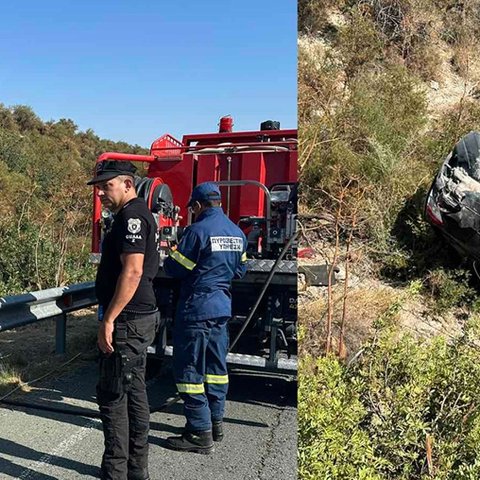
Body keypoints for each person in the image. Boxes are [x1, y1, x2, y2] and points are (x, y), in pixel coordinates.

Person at [87, 160, 159, 480]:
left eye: (107, 185)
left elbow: (133, 271)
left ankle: (116, 472)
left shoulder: (131, 217)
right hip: (137, 319)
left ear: (127, 184)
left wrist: (108, 320)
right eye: (99, 187)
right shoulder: (132, 214)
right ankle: (135, 470)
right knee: (134, 393)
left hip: (128, 321)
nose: (101, 192)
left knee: (113, 397)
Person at [163, 182, 248, 454]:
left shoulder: (197, 231)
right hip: (222, 308)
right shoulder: (237, 233)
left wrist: (172, 253)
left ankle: (200, 434)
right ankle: (216, 422)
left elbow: (176, 268)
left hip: (197, 308)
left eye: (192, 208)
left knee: (189, 370)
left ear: (198, 205)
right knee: (216, 370)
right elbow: (240, 271)